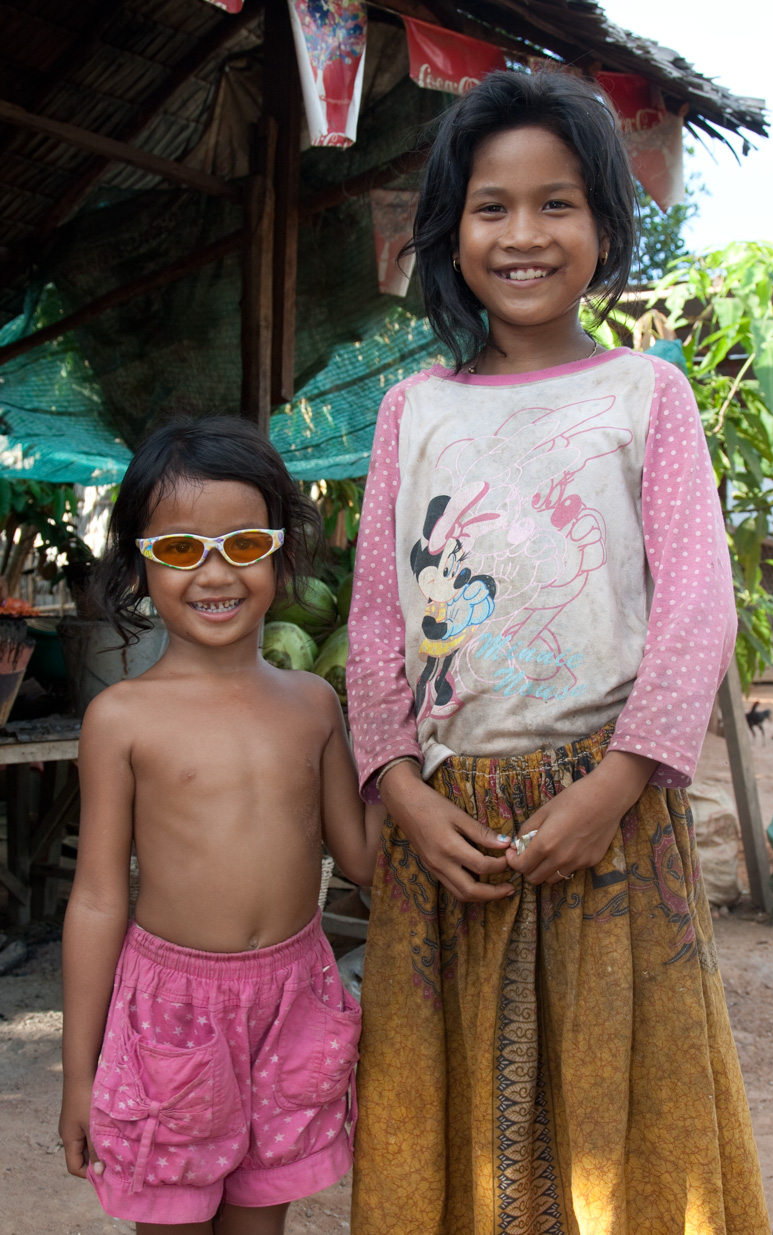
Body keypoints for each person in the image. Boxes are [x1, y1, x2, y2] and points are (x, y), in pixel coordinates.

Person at [346, 70, 770, 1235]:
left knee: (625, 1116)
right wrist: (398, 787)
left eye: (558, 203)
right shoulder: (411, 412)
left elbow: (697, 605)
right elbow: (377, 617)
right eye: (492, 206)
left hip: (608, 814)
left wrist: (618, 780)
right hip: (450, 824)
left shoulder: (645, 395)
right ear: (450, 229)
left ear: (604, 227)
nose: (523, 234)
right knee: (455, 1120)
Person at [59, 417, 383, 1235]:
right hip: (171, 1012)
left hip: (295, 998)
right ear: (140, 563)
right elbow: (97, 899)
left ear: (280, 552)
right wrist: (78, 1073)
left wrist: (415, 746)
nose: (214, 572)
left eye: (244, 544)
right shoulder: (121, 717)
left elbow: (363, 857)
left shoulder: (313, 703)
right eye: (179, 549)